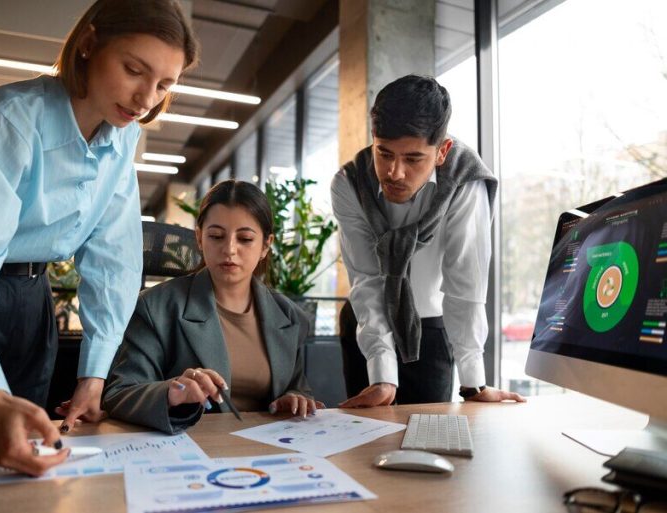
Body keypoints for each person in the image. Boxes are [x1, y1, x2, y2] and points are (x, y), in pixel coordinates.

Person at [0, 0, 198, 476]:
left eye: (164, 85)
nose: (146, 99)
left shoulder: (121, 136)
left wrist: (94, 373)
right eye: (133, 70)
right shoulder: (6, 121)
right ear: (88, 45)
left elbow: (114, 260)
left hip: (32, 304)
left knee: (23, 464)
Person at [331, 74, 525, 408]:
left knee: (428, 437)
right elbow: (367, 279)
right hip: (365, 321)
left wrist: (474, 383)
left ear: (442, 151)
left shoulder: (465, 181)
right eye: (385, 153)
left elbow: (466, 282)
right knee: (363, 439)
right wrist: (381, 372)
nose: (395, 172)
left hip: (431, 328)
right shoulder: (348, 184)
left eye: (413, 159)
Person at [103, 180, 323, 434]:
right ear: (199, 237)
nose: (229, 249)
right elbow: (120, 393)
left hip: (271, 451)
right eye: (216, 236)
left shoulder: (288, 314)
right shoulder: (155, 307)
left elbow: (297, 386)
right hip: (191, 450)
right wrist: (172, 393)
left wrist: (294, 398)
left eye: (245, 239)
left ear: (265, 245)